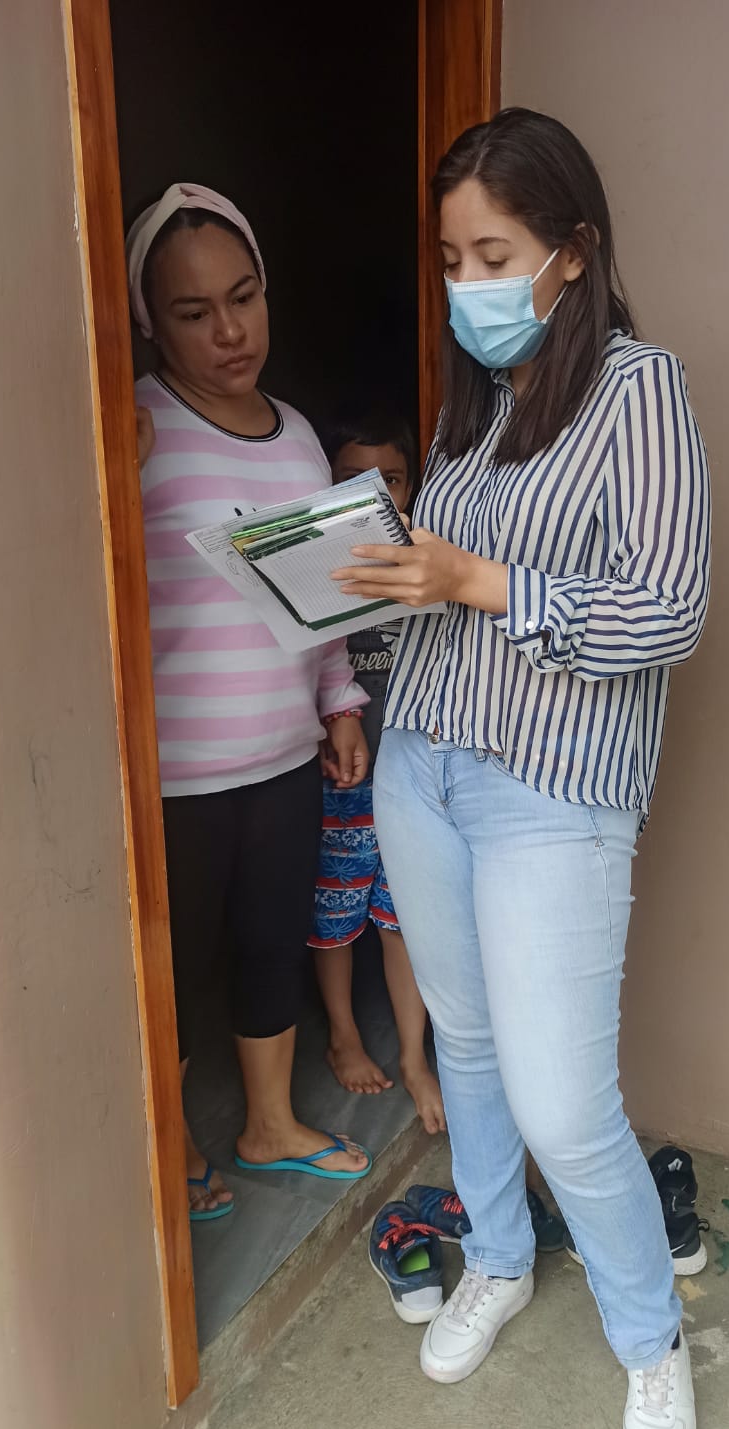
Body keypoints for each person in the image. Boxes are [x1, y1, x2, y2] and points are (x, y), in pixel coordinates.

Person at [333, 108, 711, 1429]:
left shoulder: (637, 389)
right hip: (423, 761)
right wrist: (365, 578)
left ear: (572, 250)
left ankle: (648, 1341)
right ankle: (495, 1256)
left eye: (492, 255)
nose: (467, 283)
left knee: (562, 1101)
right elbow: (444, 590)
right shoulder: (478, 405)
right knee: (473, 1047)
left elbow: (665, 610)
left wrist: (478, 580)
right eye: (451, 259)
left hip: (552, 786)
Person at [127, 182, 372, 1219]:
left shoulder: (299, 436)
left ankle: (268, 1123)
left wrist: (341, 702)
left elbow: (322, 594)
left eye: (243, 297)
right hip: (171, 774)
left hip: (281, 755)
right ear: (150, 320)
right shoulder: (134, 425)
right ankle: (171, 1147)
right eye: (193, 312)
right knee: (177, 969)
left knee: (272, 940)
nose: (229, 332)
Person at [308, 414, 446, 1135]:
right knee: (335, 914)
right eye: (350, 481)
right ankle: (343, 1034)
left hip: (413, 780)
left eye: (388, 480)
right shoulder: (315, 575)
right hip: (340, 780)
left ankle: (415, 1058)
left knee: (403, 919)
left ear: (412, 486)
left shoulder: (430, 567)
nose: (371, 496)